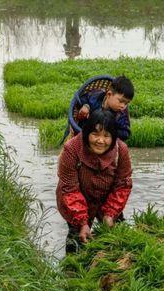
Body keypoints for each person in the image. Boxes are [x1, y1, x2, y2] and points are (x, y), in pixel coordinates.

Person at [57, 110, 132, 254]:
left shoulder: (121, 150)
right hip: (76, 199)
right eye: (95, 134)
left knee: (117, 238)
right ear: (86, 133)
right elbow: (70, 189)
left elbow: (123, 185)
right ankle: (72, 270)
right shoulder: (71, 149)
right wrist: (83, 222)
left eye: (106, 136)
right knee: (76, 238)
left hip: (107, 198)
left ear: (113, 137)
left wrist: (110, 214)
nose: (100, 140)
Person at [76, 75, 134, 141]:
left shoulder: (121, 113)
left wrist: (109, 130)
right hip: (83, 134)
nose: (123, 106)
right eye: (121, 101)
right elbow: (80, 100)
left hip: (106, 142)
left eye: (126, 103)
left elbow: (125, 133)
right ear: (109, 94)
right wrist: (86, 106)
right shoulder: (95, 97)